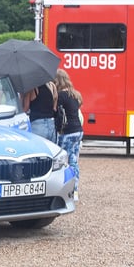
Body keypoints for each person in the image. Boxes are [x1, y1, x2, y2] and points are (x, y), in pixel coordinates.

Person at [54, 68, 83, 200]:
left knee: (64, 161)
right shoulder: (75, 94)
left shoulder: (61, 95)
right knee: (74, 161)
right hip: (78, 131)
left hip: (67, 131)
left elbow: (55, 111)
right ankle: (75, 189)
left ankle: (66, 190)